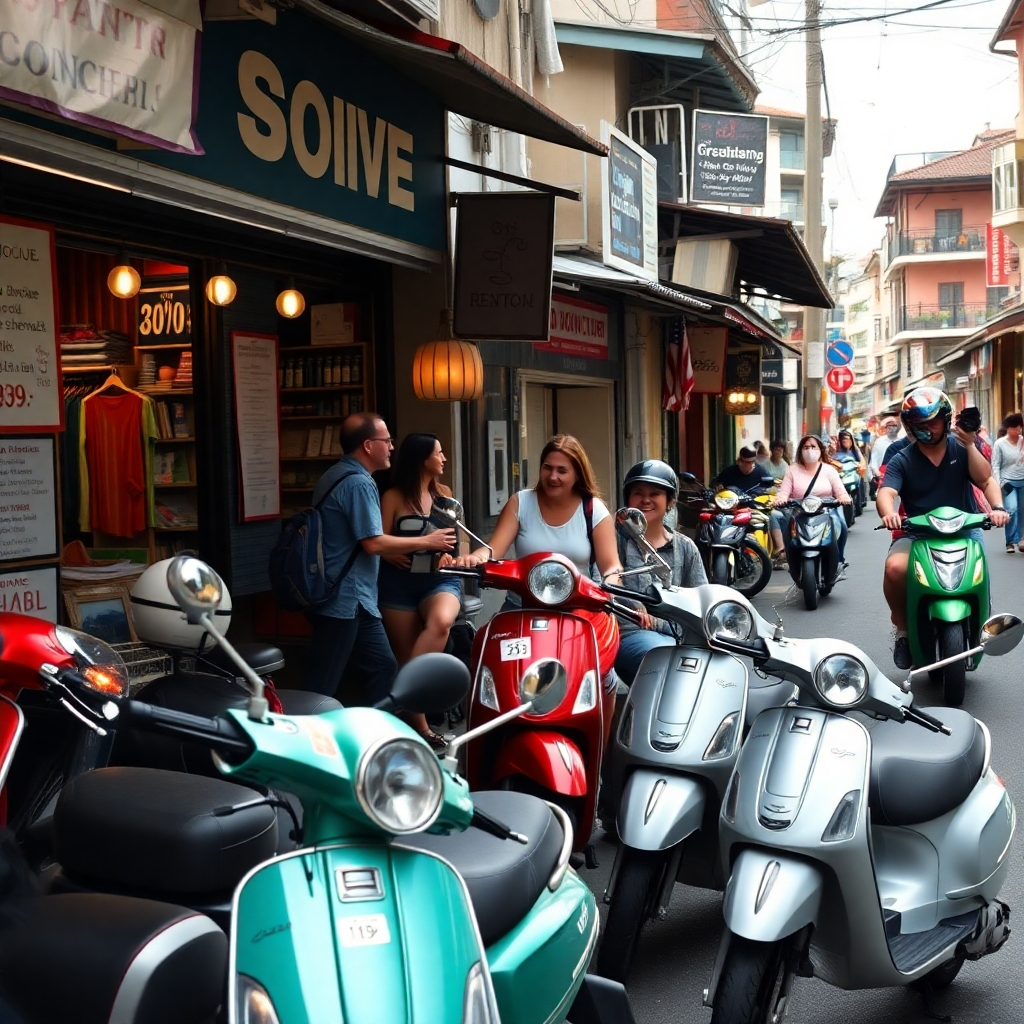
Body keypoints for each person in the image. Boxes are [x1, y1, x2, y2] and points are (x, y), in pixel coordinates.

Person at [304, 413, 456, 704]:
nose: (391, 447)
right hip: (343, 598)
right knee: (322, 683)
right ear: (367, 445)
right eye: (386, 441)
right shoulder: (359, 484)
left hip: (354, 599)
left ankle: (380, 738)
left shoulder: (334, 474)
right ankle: (299, 741)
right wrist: (427, 541)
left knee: (383, 667)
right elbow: (373, 543)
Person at [459, 434, 622, 702]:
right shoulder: (521, 502)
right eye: (547, 467)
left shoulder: (593, 509)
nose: (553, 476)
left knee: (601, 676)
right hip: (521, 604)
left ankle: (600, 743)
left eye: (562, 470)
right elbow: (492, 550)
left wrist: (612, 583)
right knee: (490, 664)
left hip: (577, 608)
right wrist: (473, 558)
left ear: (578, 474)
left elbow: (611, 565)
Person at [877, 389, 1008, 670]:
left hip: (965, 528)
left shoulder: (961, 449)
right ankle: (902, 630)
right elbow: (887, 493)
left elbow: (986, 481)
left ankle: (984, 620)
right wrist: (889, 514)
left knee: (979, 573)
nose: (925, 429)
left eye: (931, 422)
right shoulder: (903, 458)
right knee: (894, 569)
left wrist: (997, 508)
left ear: (946, 420)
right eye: (917, 423)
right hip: (917, 533)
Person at [378, 433, 465, 748]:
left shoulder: (445, 497)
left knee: (441, 622)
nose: (444, 458)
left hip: (439, 580)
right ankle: (422, 730)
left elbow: (459, 543)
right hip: (398, 583)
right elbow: (377, 541)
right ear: (421, 459)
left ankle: (399, 698)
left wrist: (449, 556)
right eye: (439, 452)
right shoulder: (393, 497)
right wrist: (390, 553)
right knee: (406, 657)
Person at [612, 460, 708, 685]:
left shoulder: (686, 547)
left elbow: (701, 604)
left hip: (680, 639)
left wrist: (661, 624)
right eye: (638, 493)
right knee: (669, 660)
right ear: (628, 499)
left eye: (655, 493)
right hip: (631, 636)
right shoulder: (615, 540)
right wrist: (635, 609)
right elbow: (606, 588)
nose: (646, 500)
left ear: (670, 501)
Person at [773, 434, 852, 561]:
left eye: (813, 447)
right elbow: (784, 491)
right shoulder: (792, 470)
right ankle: (789, 557)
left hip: (827, 509)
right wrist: (780, 499)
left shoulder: (829, 470)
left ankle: (839, 559)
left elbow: (840, 490)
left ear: (820, 450)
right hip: (799, 511)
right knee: (786, 527)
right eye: (806, 447)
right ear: (801, 450)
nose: (809, 450)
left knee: (842, 525)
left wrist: (843, 497)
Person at [991, 412, 1024, 554]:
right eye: (1015, 428)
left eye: (1020, 428)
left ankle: (1021, 540)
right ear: (1009, 428)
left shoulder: (1023, 441)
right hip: (1008, 482)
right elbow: (995, 465)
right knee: (1012, 509)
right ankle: (1010, 541)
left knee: (1023, 512)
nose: (1018, 431)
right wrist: (998, 484)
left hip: (1022, 480)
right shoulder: (1000, 444)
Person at [868, 417, 900, 496]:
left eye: (894, 426)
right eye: (889, 426)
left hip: (898, 475)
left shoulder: (901, 442)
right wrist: (876, 472)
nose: (891, 428)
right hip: (882, 475)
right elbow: (874, 460)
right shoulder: (879, 442)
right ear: (886, 428)